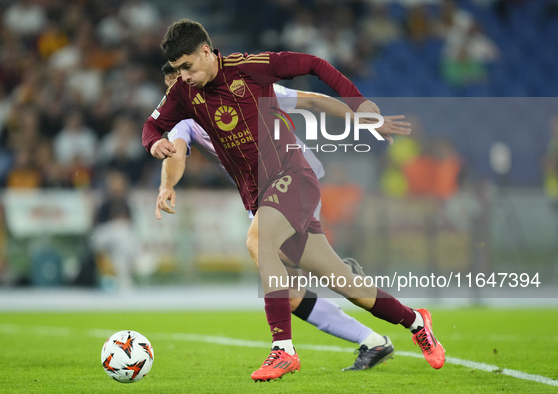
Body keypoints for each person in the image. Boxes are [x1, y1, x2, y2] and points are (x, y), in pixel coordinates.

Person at [142, 19, 445, 381]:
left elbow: (314, 69)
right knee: (343, 284)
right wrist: (153, 145)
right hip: (262, 196)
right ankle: (415, 321)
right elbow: (155, 129)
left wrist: (361, 109)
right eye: (176, 72)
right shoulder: (183, 95)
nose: (183, 78)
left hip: (294, 177)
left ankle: (282, 349)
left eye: (187, 67)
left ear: (206, 52)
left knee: (258, 241)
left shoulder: (251, 70)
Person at [156, 62, 396, 371]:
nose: (180, 88)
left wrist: (363, 119)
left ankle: (311, 312)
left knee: (277, 260)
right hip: (261, 197)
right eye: (172, 86)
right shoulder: (185, 120)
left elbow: (312, 100)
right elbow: (175, 153)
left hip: (294, 178)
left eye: (183, 80)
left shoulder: (244, 91)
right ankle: (372, 339)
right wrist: (166, 185)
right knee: (291, 294)